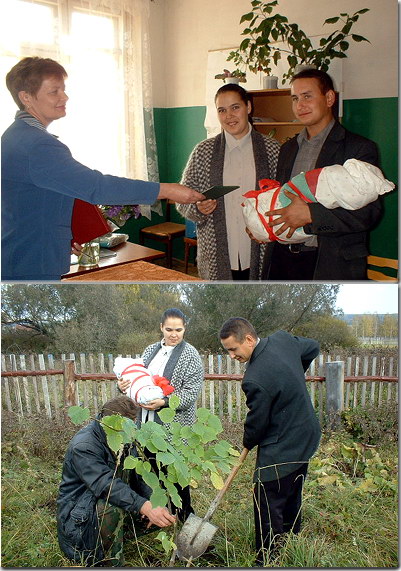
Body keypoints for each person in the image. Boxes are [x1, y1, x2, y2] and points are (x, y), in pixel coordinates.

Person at [1, 57, 204, 281]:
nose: (64, 97)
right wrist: (166, 190)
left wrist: (63, 234)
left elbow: (36, 201)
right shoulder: (38, 145)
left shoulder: (17, 136)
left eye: (64, 89)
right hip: (30, 263)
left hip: (23, 253)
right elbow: (96, 186)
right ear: (26, 97)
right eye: (54, 91)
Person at [260, 69, 382, 280]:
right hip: (281, 260)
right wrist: (262, 224)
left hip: (329, 263)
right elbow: (281, 200)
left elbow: (368, 213)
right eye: (295, 98)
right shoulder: (287, 149)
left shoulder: (359, 149)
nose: (300, 105)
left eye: (307, 96)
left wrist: (311, 215)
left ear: (329, 98)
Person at [219, 317, 320, 565]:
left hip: (284, 443)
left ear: (249, 339)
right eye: (227, 351)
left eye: (233, 349)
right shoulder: (283, 340)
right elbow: (313, 346)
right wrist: (294, 374)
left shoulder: (255, 378)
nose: (231, 356)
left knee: (266, 495)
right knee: (292, 486)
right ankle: (291, 538)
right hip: (307, 433)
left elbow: (258, 423)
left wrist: (247, 441)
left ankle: (267, 557)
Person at [176, 83, 280, 280]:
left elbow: (284, 200)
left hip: (262, 253)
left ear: (248, 107)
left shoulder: (273, 150)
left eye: (235, 107)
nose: (229, 116)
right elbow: (183, 200)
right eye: (222, 110)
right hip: (217, 257)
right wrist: (199, 208)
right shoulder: (203, 152)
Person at [57, 396, 176, 567]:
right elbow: (105, 484)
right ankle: (109, 562)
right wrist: (144, 506)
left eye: (133, 423)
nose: (132, 428)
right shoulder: (83, 445)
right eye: (127, 424)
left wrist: (152, 501)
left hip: (103, 504)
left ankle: (116, 537)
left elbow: (138, 474)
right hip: (79, 520)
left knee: (161, 502)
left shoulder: (124, 434)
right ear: (109, 423)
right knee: (110, 508)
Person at [117, 308, 203, 521]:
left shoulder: (191, 355)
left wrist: (164, 403)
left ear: (185, 329)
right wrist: (123, 386)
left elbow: (191, 392)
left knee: (175, 476)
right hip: (144, 425)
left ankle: (185, 518)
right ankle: (156, 517)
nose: (174, 334)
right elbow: (136, 377)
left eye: (179, 329)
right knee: (148, 472)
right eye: (169, 329)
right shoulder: (150, 351)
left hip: (173, 427)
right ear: (161, 328)